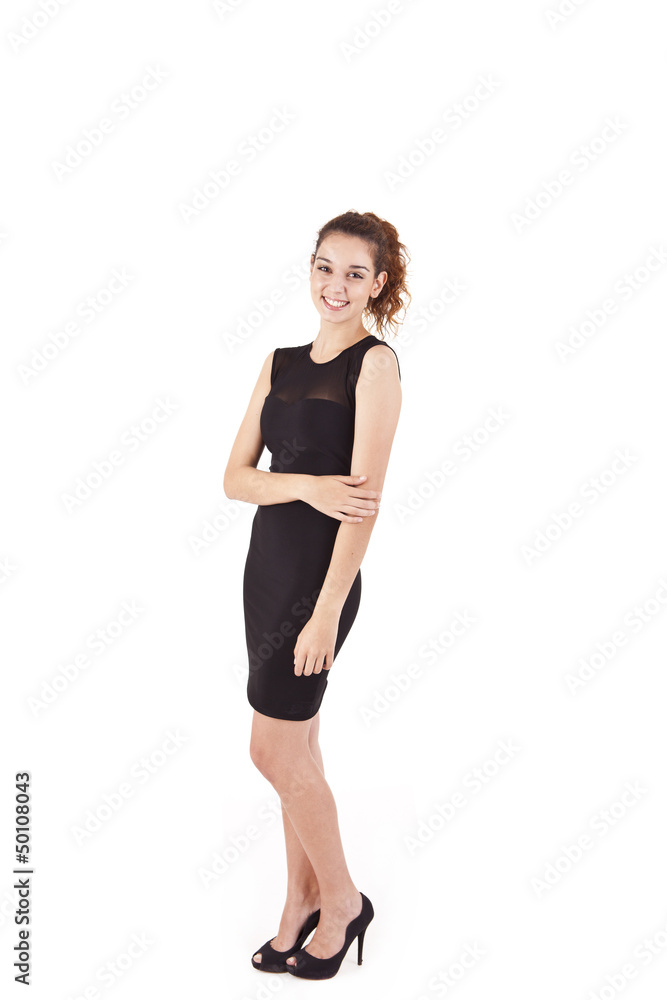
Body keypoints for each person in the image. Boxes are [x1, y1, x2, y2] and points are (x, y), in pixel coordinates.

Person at [224, 209, 410, 980]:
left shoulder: (374, 365)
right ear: (310, 269)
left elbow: (364, 503)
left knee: (270, 747)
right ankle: (299, 898)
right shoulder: (278, 361)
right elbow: (235, 479)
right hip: (264, 569)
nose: (335, 286)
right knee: (296, 746)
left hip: (317, 582)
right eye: (324, 267)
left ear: (379, 284)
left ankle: (341, 900)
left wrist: (330, 605)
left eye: (354, 273)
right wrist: (302, 484)